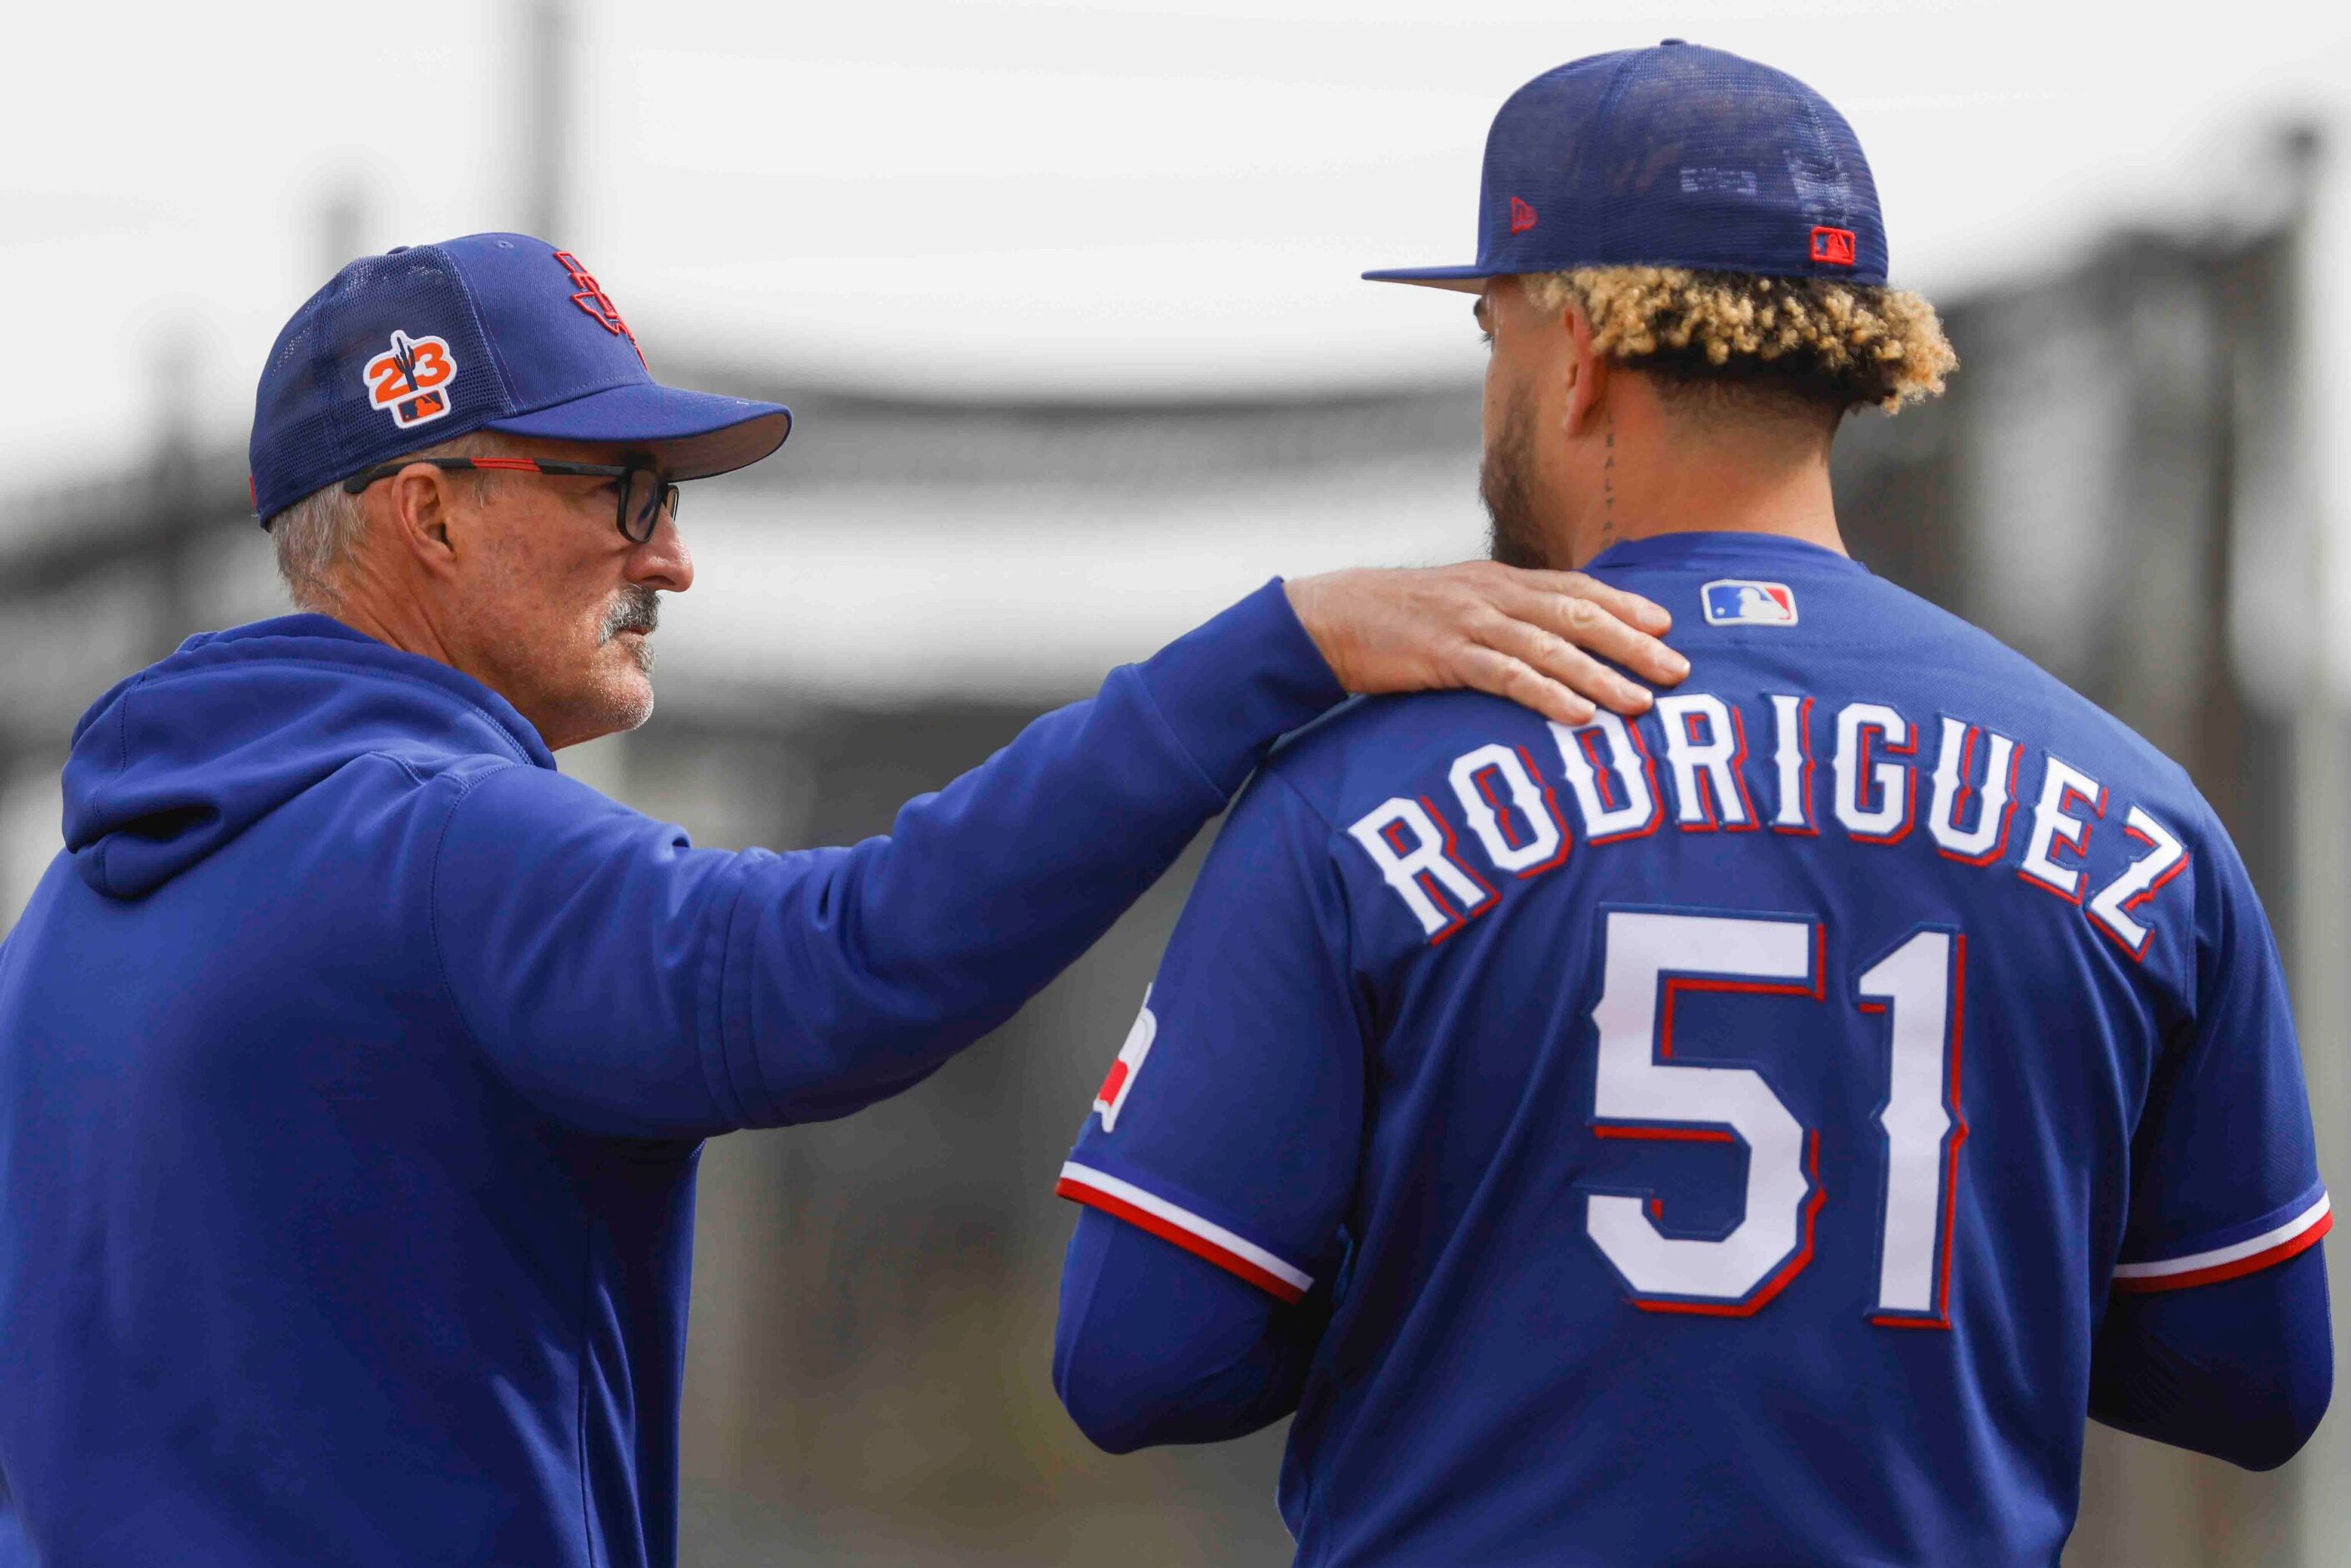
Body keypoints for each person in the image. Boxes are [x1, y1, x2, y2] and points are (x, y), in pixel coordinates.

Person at [0, 233, 1691, 1567]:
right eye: (623, 494)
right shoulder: (435, 847)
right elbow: (841, 963)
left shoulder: (83, 903)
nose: (671, 559)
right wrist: (1271, 651)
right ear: (430, 513)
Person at [1049, 43, 2333, 1566]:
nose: (1492, 388)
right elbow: (2254, 1376)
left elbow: (1137, 1357)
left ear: (1580, 348)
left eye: (1493, 332)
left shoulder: (1355, 792)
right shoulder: (2138, 817)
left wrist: (1446, 1270)